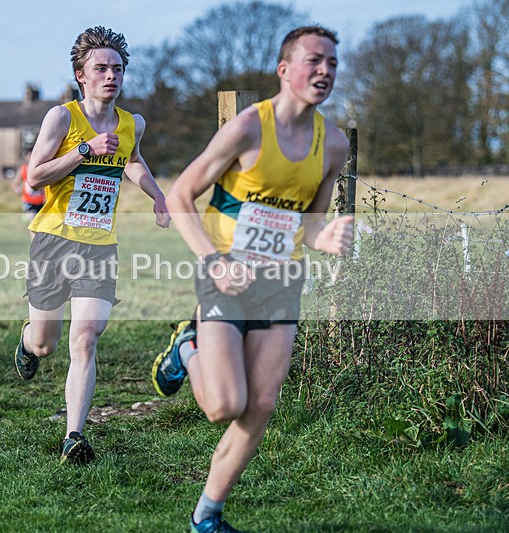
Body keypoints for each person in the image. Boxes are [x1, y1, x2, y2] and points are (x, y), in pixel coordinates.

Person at [150, 26, 354, 532]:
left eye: (332, 62)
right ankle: (186, 348)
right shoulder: (247, 128)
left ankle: (206, 516)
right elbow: (181, 195)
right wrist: (214, 261)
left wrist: (324, 237)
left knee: (260, 404)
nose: (325, 70)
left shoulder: (333, 145)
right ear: (284, 70)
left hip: (281, 282)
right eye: (313, 60)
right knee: (224, 406)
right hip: (225, 276)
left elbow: (310, 223)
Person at [13, 26, 170, 465]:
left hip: (99, 245)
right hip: (53, 240)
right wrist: (85, 149)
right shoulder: (61, 118)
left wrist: (157, 194)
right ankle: (27, 341)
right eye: (100, 68)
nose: (111, 76)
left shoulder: (132, 123)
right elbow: (35, 177)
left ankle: (74, 436)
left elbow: (132, 161)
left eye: (117, 68)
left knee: (85, 338)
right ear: (81, 75)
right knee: (46, 343)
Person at [11, 149, 46, 236]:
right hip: (28, 201)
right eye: (29, 156)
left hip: (40, 201)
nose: (30, 158)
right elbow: (15, 184)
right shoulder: (23, 169)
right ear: (26, 157)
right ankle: (33, 241)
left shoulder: (40, 169)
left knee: (40, 224)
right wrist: (17, 190)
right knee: (32, 221)